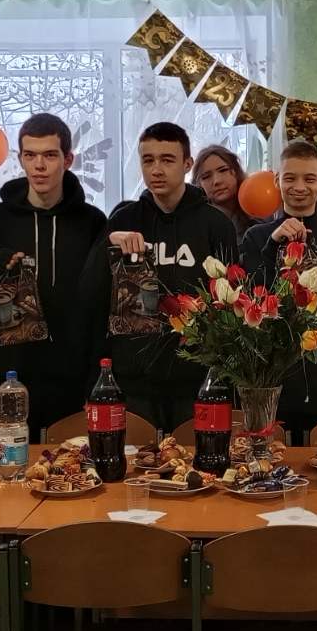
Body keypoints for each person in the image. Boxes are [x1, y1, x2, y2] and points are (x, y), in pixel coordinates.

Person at [80, 122, 238, 432]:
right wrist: (108, 245)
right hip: (134, 381)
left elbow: (231, 303)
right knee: (134, 461)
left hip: (196, 379)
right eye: (148, 160)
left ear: (187, 164)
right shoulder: (123, 219)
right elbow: (90, 296)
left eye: (167, 159)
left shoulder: (215, 225)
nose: (156, 170)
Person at [0, 113, 108, 437]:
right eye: (30, 155)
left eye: (49, 155)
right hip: (12, 379)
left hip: (74, 381)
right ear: (20, 159)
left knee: (74, 466)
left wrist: (96, 383)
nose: (39, 166)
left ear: (68, 160)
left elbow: (101, 310)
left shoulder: (92, 222)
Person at [239, 140, 317, 438]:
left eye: (309, 178)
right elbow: (250, 307)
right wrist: (272, 246)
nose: (299, 187)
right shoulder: (256, 238)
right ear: (276, 180)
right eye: (290, 178)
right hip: (270, 384)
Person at [192, 143, 258, 237]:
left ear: (236, 171)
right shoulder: (194, 224)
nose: (217, 181)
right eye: (206, 177)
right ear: (198, 184)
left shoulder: (259, 212)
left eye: (223, 170)